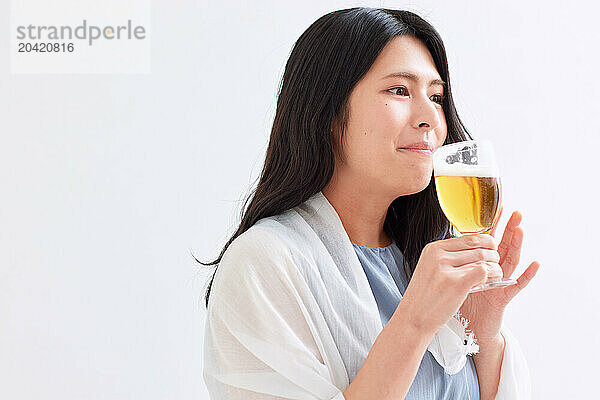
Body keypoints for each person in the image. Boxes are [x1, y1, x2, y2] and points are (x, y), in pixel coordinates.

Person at [199, 7, 540, 400]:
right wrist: (412, 324)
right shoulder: (265, 262)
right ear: (325, 110)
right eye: (399, 90)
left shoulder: (422, 258)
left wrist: (484, 333)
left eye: (436, 95)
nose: (431, 116)